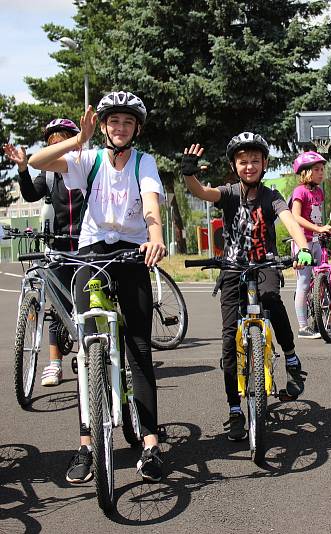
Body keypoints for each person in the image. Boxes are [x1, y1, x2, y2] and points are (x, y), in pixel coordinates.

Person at [28, 91, 168, 482]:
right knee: (89, 346)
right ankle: (86, 444)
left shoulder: (144, 162)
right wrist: (77, 139)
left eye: (127, 122)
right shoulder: (86, 158)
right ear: (104, 126)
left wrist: (154, 235)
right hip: (90, 253)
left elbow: (152, 205)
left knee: (138, 346)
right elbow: (36, 161)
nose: (120, 128)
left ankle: (151, 443)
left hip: (132, 251)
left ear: (135, 128)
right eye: (113, 122)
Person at [181, 133, 312, 441]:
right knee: (228, 341)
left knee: (271, 299)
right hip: (231, 268)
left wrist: (302, 245)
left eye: (255, 160)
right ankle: (234, 410)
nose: (249, 166)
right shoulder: (228, 192)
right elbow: (202, 192)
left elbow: (289, 220)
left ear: (264, 163)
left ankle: (291, 358)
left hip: (263, 263)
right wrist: (190, 174)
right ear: (234, 165)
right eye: (243, 161)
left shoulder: (272, 195)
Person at [3, 118, 84, 387]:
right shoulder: (48, 174)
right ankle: (54, 364)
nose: (57, 146)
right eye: (52, 143)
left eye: (62, 140)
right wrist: (23, 168)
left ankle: (97, 354)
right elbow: (29, 195)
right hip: (59, 246)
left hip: (87, 247)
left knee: (90, 303)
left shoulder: (87, 169)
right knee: (57, 307)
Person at [290, 151, 331, 339]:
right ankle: (302, 327)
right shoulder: (300, 191)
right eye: (317, 169)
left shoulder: (319, 192)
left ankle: (322, 315)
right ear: (306, 172)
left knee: (320, 276)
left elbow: (317, 216)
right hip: (303, 242)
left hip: (316, 240)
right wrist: (318, 227)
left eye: (322, 169)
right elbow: (296, 217)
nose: (321, 172)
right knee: (304, 283)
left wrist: (324, 229)